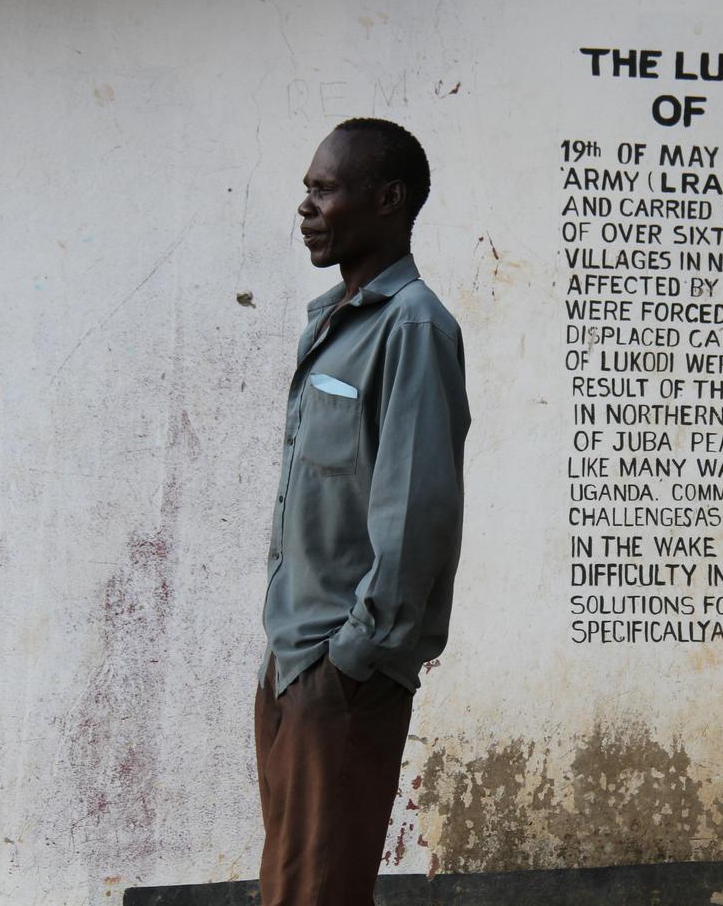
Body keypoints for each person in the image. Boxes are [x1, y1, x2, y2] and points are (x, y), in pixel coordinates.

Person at [254, 118, 469, 905]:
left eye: (324, 189)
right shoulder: (333, 321)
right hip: (292, 659)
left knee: (317, 893)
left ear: (387, 200)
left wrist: (352, 660)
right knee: (291, 887)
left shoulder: (412, 328)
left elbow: (416, 516)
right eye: (307, 189)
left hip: (340, 674)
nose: (307, 207)